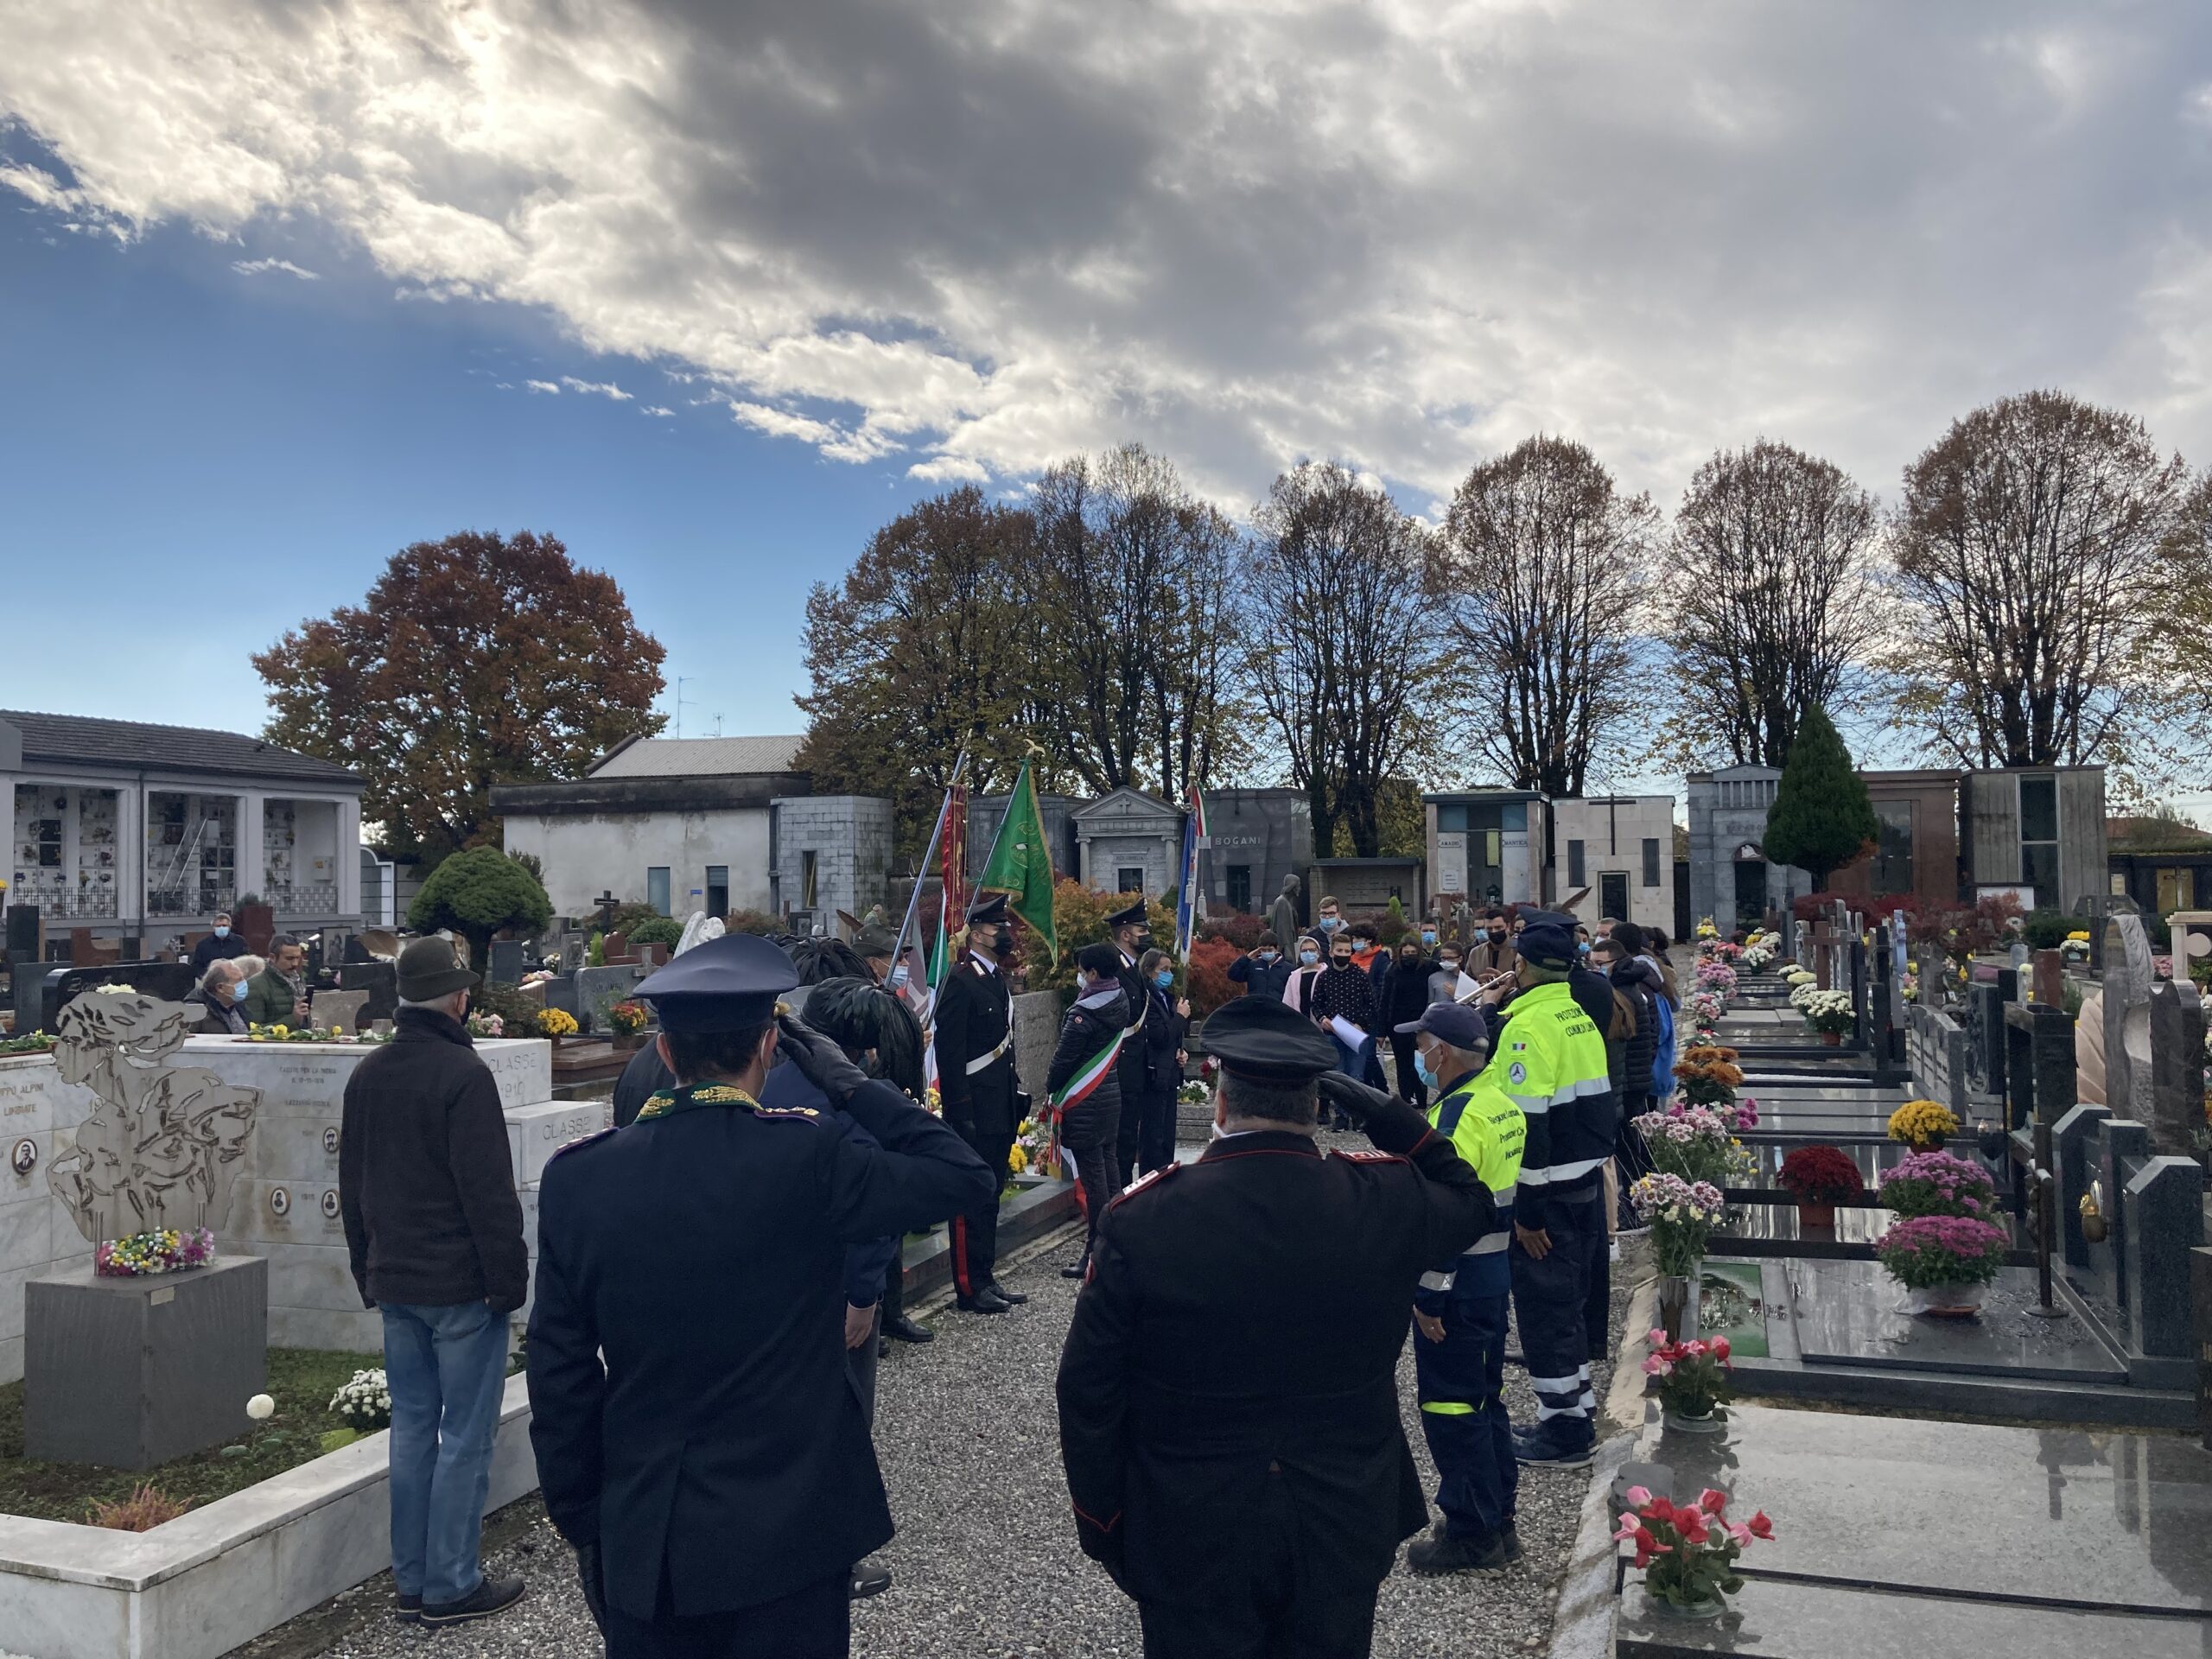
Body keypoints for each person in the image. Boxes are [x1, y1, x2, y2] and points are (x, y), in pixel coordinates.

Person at [526, 934, 994, 1659]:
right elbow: (965, 1175)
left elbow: (560, 1371)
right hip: (792, 1529)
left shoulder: (580, 1179)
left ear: (667, 1053)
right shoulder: (807, 1155)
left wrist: (588, 1517)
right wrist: (851, 1085)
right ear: (770, 1047)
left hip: (651, 1527)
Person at [1056, 994, 1501, 1657]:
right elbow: (1472, 1200)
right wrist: (1389, 1115)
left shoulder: (1142, 1218)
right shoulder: (1385, 1199)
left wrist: (1106, 1524)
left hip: (1190, 1518)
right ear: (1316, 1106)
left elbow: (1089, 1390)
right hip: (1342, 1511)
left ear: (1220, 1104)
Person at [339, 938, 529, 1629]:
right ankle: (451, 1584)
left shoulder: (368, 1074)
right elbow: (487, 1191)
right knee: (466, 1437)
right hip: (459, 1283)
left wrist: (367, 1268)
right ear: (459, 999)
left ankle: (413, 1582)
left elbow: (352, 1184)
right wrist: (508, 1279)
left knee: (413, 1431)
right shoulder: (463, 1074)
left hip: (396, 1277)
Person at [1395, 1002, 1524, 1575]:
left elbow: (1445, 1217)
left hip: (1458, 1289)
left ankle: (1472, 1531)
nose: (1418, 1055)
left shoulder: (1455, 1117)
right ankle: (1498, 1518)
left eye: (1421, 1044)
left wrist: (1428, 1296)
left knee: (1452, 1408)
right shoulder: (1500, 1102)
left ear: (1441, 1052)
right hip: (1491, 1280)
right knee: (1486, 1401)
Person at [1487, 923, 1615, 1469]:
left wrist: (1529, 1212)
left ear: (1522, 964)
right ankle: (1577, 1409)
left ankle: (1563, 1434)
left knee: (1545, 1313)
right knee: (1569, 1307)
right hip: (1583, 1181)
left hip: (1550, 1192)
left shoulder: (1528, 1026)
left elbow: (1529, 1126)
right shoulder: (1575, 1014)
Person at [929, 893, 1031, 1315]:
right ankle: (969, 1287)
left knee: (990, 1195)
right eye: (996, 927)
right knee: (970, 1198)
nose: (1004, 933)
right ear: (975, 934)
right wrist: (960, 1111)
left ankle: (986, 1276)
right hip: (973, 1109)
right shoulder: (960, 979)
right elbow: (951, 1054)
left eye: (1004, 926)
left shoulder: (995, 979)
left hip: (999, 1106)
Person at [1051, 944, 1134, 1278]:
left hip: (1085, 1101)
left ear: (1094, 973)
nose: (1080, 977)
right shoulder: (1120, 999)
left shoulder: (1084, 1013)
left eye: (1083, 971)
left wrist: (1052, 1087)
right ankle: (1119, 1243)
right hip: (1110, 1096)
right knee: (1111, 1174)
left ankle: (1096, 1253)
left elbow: (1063, 1060)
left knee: (1095, 1181)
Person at [1106, 898, 1154, 1187]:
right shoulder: (1114, 969)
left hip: (1134, 1068)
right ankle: (1117, 1195)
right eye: (1141, 930)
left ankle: (1123, 1191)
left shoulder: (1133, 968)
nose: (1146, 935)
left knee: (1128, 1141)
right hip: (1119, 1068)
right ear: (1125, 935)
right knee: (1120, 1141)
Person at [1135, 947, 1189, 1174]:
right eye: (1163, 970)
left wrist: (1180, 1052)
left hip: (1169, 1073)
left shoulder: (1166, 997)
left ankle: (1166, 1175)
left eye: (1170, 969)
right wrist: (1180, 1017)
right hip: (1154, 1073)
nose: (1168, 974)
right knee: (1153, 1136)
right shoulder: (1147, 998)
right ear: (1149, 971)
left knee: (1167, 1134)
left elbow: (1173, 1037)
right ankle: (1152, 1177)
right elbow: (1160, 1036)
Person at [1308, 929, 1382, 1081]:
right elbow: (1316, 1003)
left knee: (1357, 1076)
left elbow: (1370, 1004)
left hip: (1356, 1032)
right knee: (1338, 1077)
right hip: (1333, 1033)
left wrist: (1360, 1023)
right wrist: (1322, 1018)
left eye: (1347, 951)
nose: (1343, 954)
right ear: (1331, 953)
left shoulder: (1360, 976)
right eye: (1339, 950)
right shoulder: (1324, 977)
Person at [1381, 937, 1437, 1107]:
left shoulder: (1428, 967)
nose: (1409, 955)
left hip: (1422, 1023)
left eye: (1413, 952)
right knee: (1403, 1064)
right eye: (1406, 952)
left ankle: (1421, 1099)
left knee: (1420, 1062)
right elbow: (1385, 1000)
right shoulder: (1392, 970)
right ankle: (1406, 1099)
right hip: (1398, 1024)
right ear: (1400, 953)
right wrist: (1382, 1030)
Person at [244, 934, 311, 1027]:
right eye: (289, 958)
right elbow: (254, 1030)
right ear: (272, 957)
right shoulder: (255, 986)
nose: (295, 964)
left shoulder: (298, 981)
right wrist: (293, 1019)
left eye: (298, 958)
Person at [190, 954, 259, 1034]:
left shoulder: (240, 1005)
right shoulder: (196, 1011)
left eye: (243, 978)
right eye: (239, 980)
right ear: (220, 988)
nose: (244, 983)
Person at [1227, 933, 1294, 1001]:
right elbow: (1232, 974)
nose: (1267, 952)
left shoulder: (1288, 968)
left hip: (1277, 1005)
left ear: (1277, 949)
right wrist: (1247, 958)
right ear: (1259, 949)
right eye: (1264, 950)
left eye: (1270, 950)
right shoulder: (1253, 965)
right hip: (1255, 1005)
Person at [188, 911, 251, 977]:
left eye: (224, 925)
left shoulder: (239, 942)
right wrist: (206, 977)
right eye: (218, 926)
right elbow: (196, 966)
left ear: (229, 926)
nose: (221, 928)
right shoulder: (203, 945)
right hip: (211, 979)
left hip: (235, 978)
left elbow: (246, 961)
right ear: (213, 927)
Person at [1281, 936, 1325, 1014]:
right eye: (1304, 951)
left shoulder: (1326, 974)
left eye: (1312, 950)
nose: (1308, 953)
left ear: (1318, 953)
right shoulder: (1293, 978)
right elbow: (1287, 1002)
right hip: (1300, 1020)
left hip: (1323, 1020)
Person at [1468, 912, 1516, 976]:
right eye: (1489, 928)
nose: (1494, 931)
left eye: (1498, 927)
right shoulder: (1475, 953)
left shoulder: (1518, 950)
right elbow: (1467, 979)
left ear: (1508, 926)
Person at [1269, 874, 1303, 960]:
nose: (1300, 888)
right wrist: (1287, 949)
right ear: (1292, 887)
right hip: (1285, 947)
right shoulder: (1282, 902)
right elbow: (1282, 928)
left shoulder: (1287, 902)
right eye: (1298, 886)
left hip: (1288, 943)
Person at [1429, 942, 1465, 1007]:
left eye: (1450, 958)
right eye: (1443, 958)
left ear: (1460, 959)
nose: (1446, 961)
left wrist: (1456, 995)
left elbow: (1473, 1006)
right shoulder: (1434, 978)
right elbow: (1430, 1003)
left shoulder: (1467, 979)